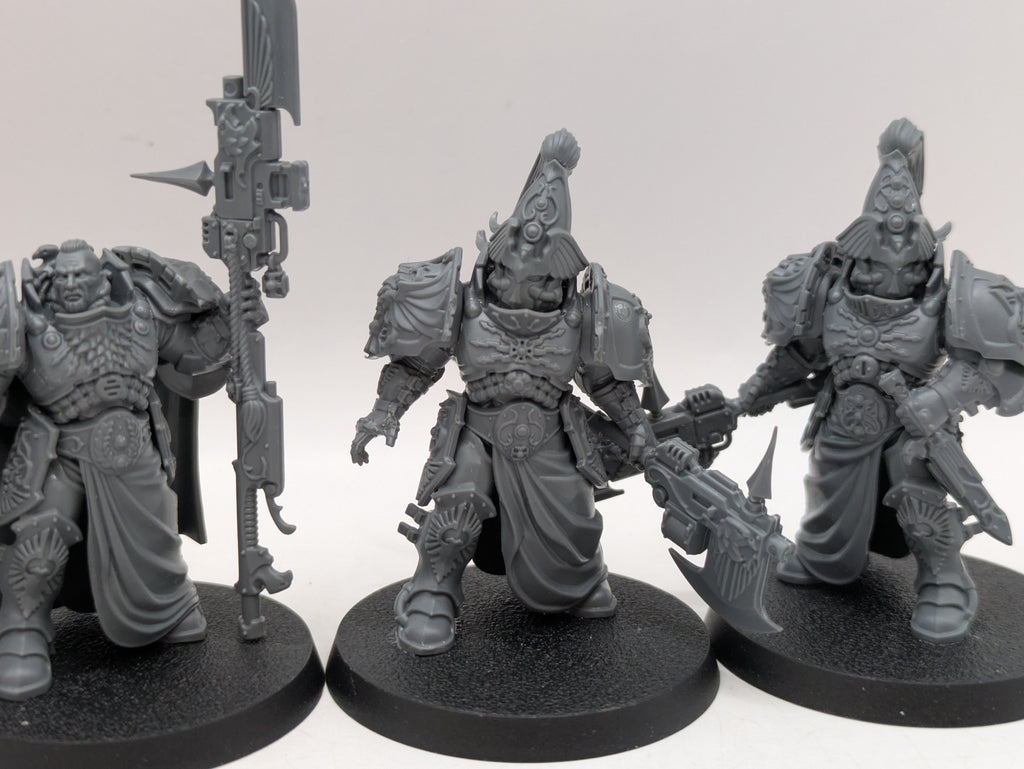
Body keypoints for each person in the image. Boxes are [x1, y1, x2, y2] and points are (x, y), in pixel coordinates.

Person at [352, 130, 659, 654]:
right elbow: (418, 364)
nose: (523, 284)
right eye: (511, 270)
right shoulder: (458, 301)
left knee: (576, 522)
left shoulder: (586, 312)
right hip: (476, 429)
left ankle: (580, 580)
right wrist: (384, 412)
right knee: (457, 508)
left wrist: (636, 428)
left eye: (543, 279)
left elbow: (606, 380)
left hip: (553, 435)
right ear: (495, 258)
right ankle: (432, 595)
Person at [732, 119, 1024, 643]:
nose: (889, 278)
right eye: (873, 267)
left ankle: (944, 583)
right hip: (842, 417)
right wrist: (754, 392)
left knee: (920, 497)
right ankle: (824, 560)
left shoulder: (954, 296)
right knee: (829, 491)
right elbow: (799, 352)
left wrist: (938, 399)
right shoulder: (826, 289)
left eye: (906, 270)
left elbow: (992, 366)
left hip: (914, 428)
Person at [0, 239, 237, 699]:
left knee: (158, 534)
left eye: (80, 275)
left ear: (101, 277)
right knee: (41, 538)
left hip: (133, 448)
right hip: (59, 452)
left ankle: (169, 608)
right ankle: (22, 628)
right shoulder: (28, 322)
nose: (71, 284)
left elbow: (197, 359)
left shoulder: (142, 312)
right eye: (63, 277)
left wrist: (233, 316)